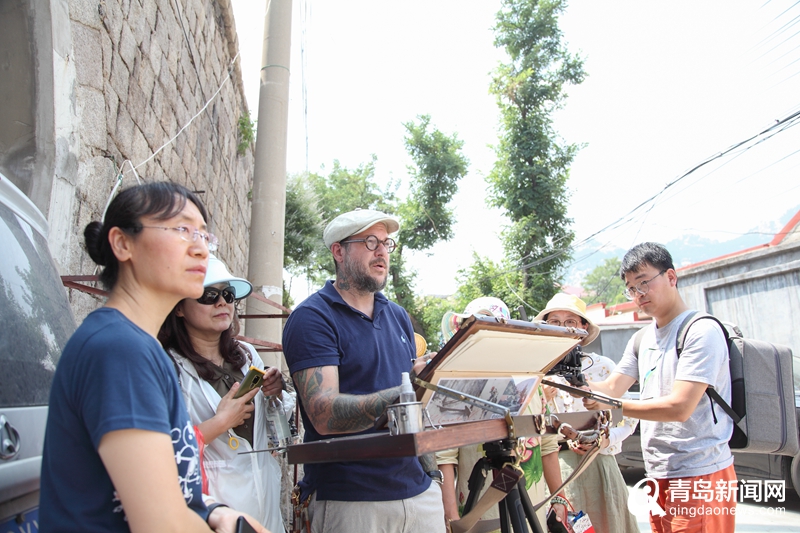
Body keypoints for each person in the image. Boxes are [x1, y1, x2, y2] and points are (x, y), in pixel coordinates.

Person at [39, 182, 269, 533]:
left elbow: (168, 484)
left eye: (204, 235)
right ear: (122, 243)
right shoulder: (119, 350)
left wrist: (215, 512)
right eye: (181, 230)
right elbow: (161, 523)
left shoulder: (143, 349)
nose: (200, 249)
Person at [282, 209, 446, 533]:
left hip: (420, 494)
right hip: (351, 499)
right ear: (338, 251)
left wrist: (433, 476)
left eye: (386, 243)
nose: (382, 251)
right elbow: (323, 414)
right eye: (370, 242)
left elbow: (413, 408)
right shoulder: (312, 317)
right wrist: (407, 392)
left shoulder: (397, 316)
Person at [587, 242, 736, 533]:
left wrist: (614, 406)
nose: (638, 294)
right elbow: (610, 388)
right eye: (631, 288)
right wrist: (569, 380)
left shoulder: (700, 330)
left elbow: (679, 407)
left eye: (643, 282)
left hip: (700, 472)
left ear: (670, 277)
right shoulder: (641, 339)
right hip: (658, 473)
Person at [159, 254, 288, 533]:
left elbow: (270, 425)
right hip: (215, 512)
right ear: (179, 307)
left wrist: (275, 391)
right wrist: (220, 423)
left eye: (228, 295)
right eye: (208, 295)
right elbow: (162, 451)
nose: (222, 303)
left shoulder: (246, 355)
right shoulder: (168, 367)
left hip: (266, 506)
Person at [435, 297, 550, 530]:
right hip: (479, 515)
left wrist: (559, 497)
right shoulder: (455, 381)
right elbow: (445, 456)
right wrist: (451, 516)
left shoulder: (531, 379)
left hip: (531, 508)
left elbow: (548, 445)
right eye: (474, 326)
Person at [536, 293, 639, 533]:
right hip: (556, 469)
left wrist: (605, 441)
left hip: (600, 466)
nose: (562, 328)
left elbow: (629, 419)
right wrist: (542, 399)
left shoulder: (603, 367)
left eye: (571, 322)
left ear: (584, 328)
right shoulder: (536, 371)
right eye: (554, 322)